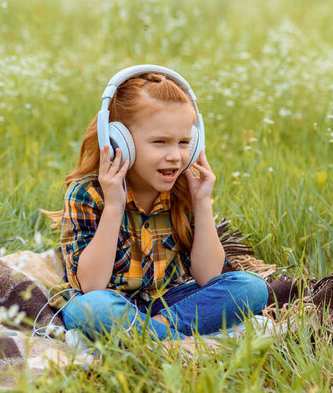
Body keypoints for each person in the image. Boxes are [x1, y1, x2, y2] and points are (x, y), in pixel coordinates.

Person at [44, 69, 268, 342]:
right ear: (120, 143)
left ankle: (154, 332)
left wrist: (201, 201)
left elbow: (208, 275)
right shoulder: (88, 193)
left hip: (167, 302)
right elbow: (92, 286)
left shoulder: (183, 190)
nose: (174, 156)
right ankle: (178, 342)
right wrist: (115, 205)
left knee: (251, 288)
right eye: (159, 142)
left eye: (184, 142)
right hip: (107, 301)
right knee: (94, 310)